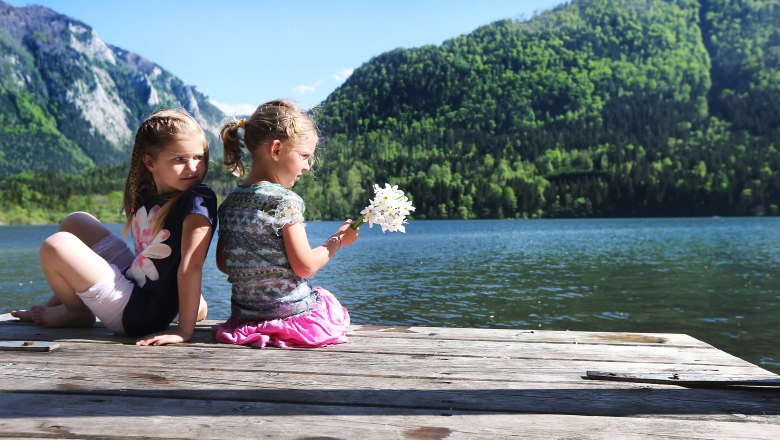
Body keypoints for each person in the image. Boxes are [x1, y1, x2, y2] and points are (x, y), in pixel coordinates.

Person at [11, 108, 217, 346]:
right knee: (75, 221)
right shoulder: (144, 194)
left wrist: (183, 330)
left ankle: (77, 314)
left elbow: (191, 265)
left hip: (140, 313)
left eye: (198, 157)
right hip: (138, 281)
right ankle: (55, 307)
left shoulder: (198, 199)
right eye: (179, 159)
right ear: (150, 162)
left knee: (56, 245)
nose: (193, 168)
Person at [214, 99, 358, 348]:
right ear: (277, 150)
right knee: (327, 301)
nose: (307, 166)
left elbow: (224, 264)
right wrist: (337, 241)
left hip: (245, 318)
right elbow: (305, 267)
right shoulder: (285, 201)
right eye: (304, 156)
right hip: (290, 315)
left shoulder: (229, 203)